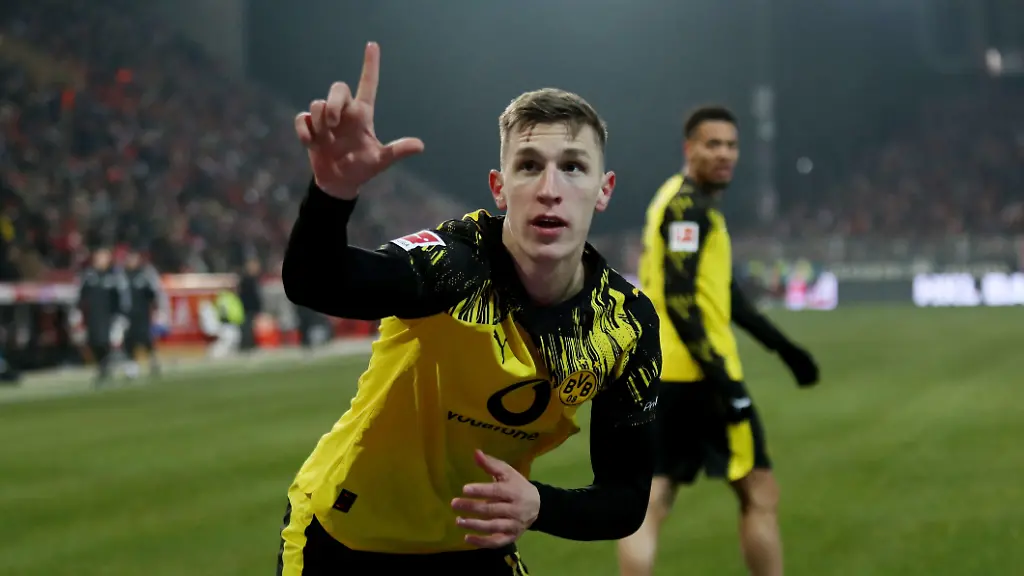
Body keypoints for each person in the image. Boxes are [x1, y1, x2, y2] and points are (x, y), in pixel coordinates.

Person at [278, 42, 661, 575]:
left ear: (604, 189)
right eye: (529, 166)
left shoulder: (625, 323)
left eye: (573, 167)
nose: (550, 190)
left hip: (471, 545)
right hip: (343, 538)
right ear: (499, 188)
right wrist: (332, 193)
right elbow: (316, 282)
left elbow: (626, 498)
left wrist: (541, 505)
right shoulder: (454, 264)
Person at [617, 105, 820, 576]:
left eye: (731, 145)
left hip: (660, 373)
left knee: (652, 501)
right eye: (713, 145)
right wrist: (728, 386)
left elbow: (724, 293)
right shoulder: (687, 209)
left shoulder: (677, 200)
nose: (725, 154)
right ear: (690, 149)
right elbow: (685, 301)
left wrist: (784, 349)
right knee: (760, 492)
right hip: (700, 375)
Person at [75, 246, 131, 386]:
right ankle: (104, 367)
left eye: (103, 256)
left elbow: (123, 296)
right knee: (95, 343)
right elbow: (80, 295)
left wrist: (122, 315)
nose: (100, 260)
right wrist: (77, 314)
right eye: (98, 256)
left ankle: (124, 365)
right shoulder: (89, 275)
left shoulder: (115, 275)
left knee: (110, 343)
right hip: (94, 316)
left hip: (111, 317)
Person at [121, 247, 169, 378]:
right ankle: (132, 368)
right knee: (129, 341)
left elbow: (153, 294)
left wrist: (158, 309)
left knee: (145, 339)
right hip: (127, 313)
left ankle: (153, 362)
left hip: (142, 313)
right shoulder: (122, 275)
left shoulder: (144, 274)